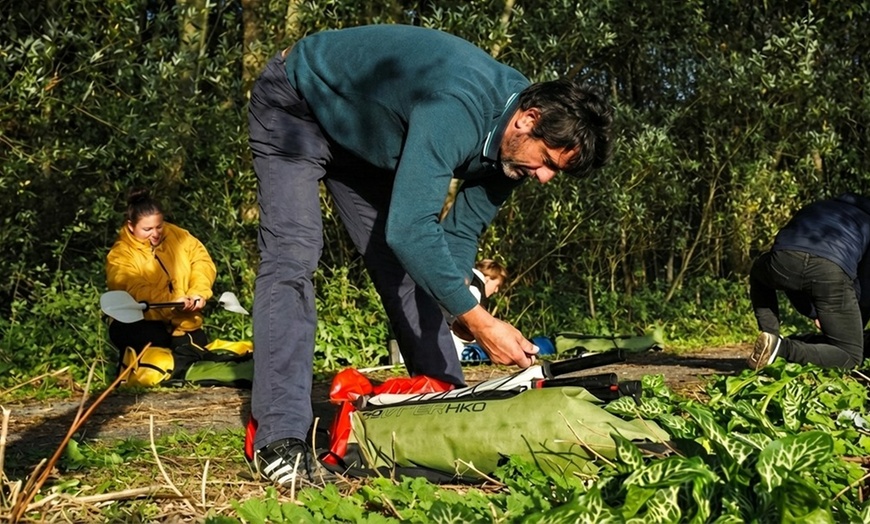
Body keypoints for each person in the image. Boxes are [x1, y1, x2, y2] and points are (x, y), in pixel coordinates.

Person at [247, 24, 613, 486]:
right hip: (297, 107)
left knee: (408, 271)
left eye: (554, 172)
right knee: (293, 255)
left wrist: (461, 307)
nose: (543, 178)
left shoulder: (513, 154)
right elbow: (409, 229)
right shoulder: (457, 108)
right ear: (527, 118)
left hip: (367, 142)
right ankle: (280, 440)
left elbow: (458, 235)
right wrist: (481, 322)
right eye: (546, 162)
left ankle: (449, 402)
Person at [747, 192, 870, 371]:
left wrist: (815, 312)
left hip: (783, 261)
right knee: (850, 357)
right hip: (829, 271)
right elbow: (866, 288)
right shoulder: (867, 222)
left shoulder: (817, 206)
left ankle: (770, 336)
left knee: (758, 273)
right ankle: (781, 349)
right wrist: (851, 326)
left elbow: (793, 251)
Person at [105, 189, 217, 359]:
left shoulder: (178, 235)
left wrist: (198, 292)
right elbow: (132, 288)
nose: (155, 233)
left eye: (159, 226)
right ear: (130, 226)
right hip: (141, 324)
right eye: (147, 229)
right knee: (157, 342)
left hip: (183, 322)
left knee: (195, 352)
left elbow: (202, 262)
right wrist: (172, 301)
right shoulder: (120, 254)